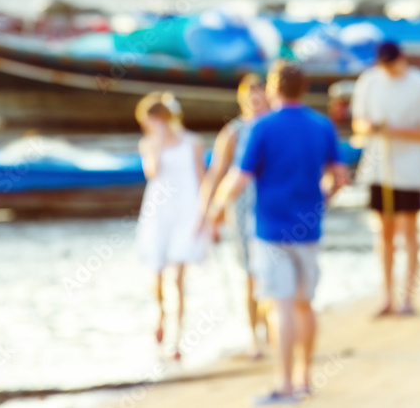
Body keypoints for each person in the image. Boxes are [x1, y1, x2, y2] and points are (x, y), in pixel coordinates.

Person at [207, 60, 348, 404]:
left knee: (281, 306)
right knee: (305, 305)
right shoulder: (322, 125)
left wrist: (214, 212)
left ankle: (284, 386)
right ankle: (305, 378)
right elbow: (340, 177)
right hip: (309, 229)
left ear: (273, 88)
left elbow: (239, 179)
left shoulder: (262, 127)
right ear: (304, 88)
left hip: (270, 229)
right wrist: (324, 198)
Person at [351, 41, 420, 317]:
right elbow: (358, 122)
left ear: (401, 59)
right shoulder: (369, 81)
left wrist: (397, 131)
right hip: (379, 169)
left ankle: (407, 297)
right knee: (384, 234)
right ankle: (386, 297)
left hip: (411, 170)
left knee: (408, 232)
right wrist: (371, 128)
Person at [200, 74, 270, 360]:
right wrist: (208, 214)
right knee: (251, 274)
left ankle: (272, 327)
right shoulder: (234, 131)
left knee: (270, 270)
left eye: (259, 95)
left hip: (271, 205)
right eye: (249, 96)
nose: (255, 101)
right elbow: (217, 172)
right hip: (240, 208)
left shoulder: (274, 125)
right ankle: (255, 336)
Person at [134, 91, 209, 360]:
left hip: (185, 212)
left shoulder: (193, 142)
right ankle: (161, 315)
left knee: (178, 277)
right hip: (158, 212)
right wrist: (158, 142)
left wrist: (206, 214)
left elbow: (202, 178)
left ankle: (177, 339)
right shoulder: (149, 143)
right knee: (156, 272)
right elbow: (152, 172)